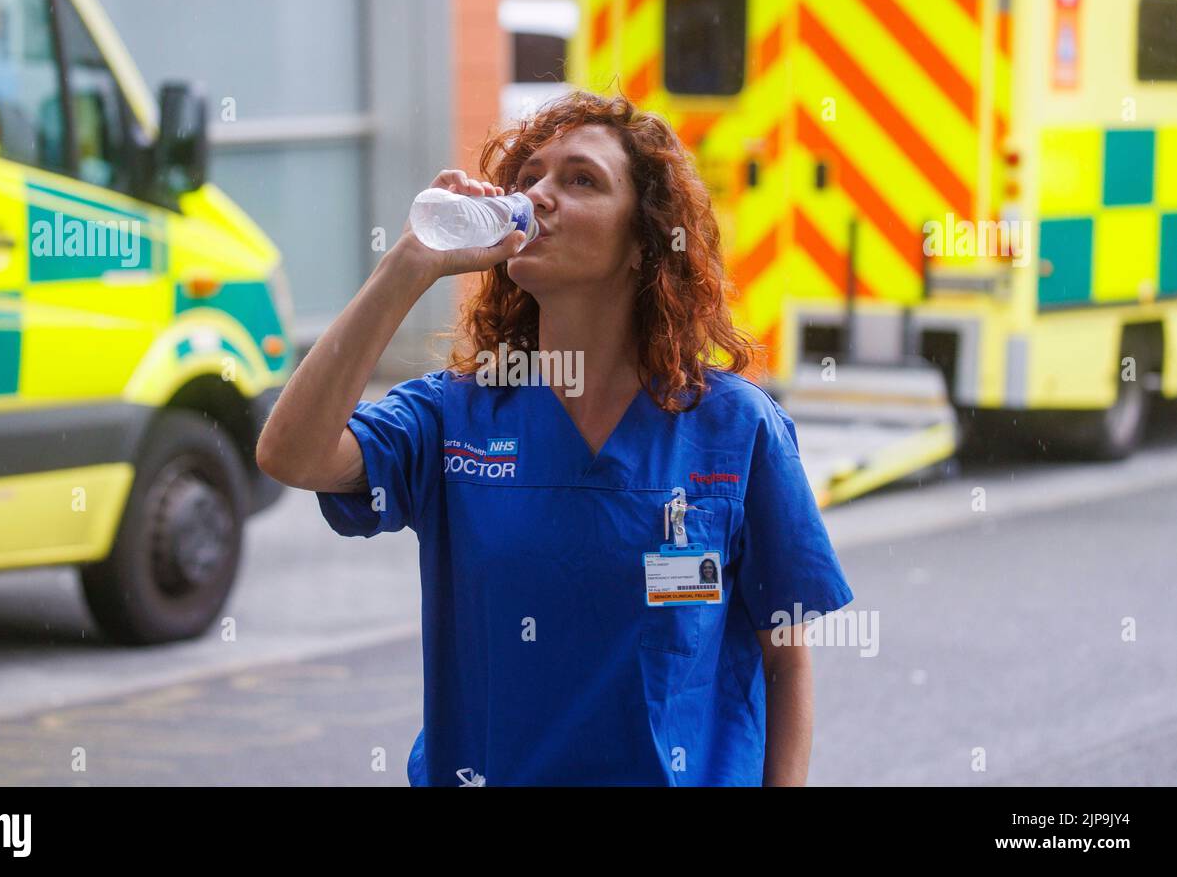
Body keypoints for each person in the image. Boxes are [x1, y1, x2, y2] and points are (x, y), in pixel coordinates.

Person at [257, 89, 854, 787]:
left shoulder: (735, 428)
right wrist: (408, 266)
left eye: (581, 180)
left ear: (642, 244)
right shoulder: (457, 415)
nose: (539, 195)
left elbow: (786, 658)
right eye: (530, 177)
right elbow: (290, 453)